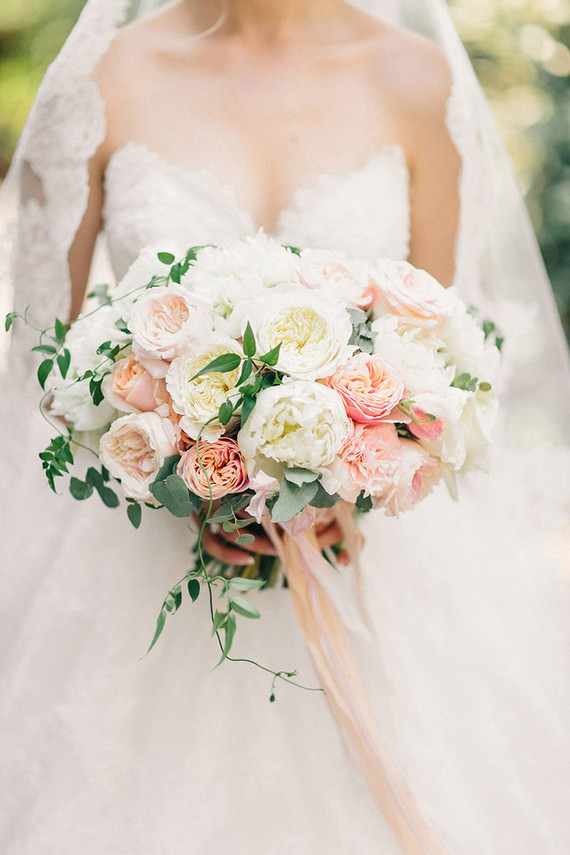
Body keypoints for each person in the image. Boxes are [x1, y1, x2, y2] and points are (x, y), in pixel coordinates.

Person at [0, 1, 569, 853]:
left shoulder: (419, 80)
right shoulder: (99, 82)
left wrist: (354, 491)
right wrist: (174, 463)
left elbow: (445, 357)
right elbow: (35, 368)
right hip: (135, 552)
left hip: (372, 559)